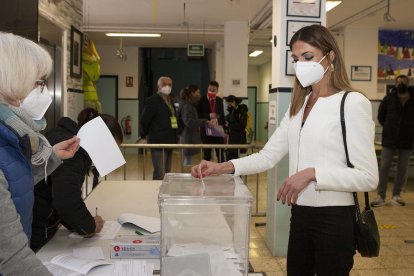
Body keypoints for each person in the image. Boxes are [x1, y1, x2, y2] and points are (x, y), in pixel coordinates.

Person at [191, 25, 378, 275]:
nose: (301, 64)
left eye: (308, 57)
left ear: (330, 56)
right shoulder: (298, 107)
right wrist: (221, 167)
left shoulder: (352, 103)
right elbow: (268, 156)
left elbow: (368, 177)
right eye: (296, 58)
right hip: (300, 215)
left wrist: (313, 173)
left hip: (334, 220)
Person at [0, 32, 80, 275]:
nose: (40, 90)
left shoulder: (12, 132)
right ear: (13, 79)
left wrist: (52, 156)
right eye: (38, 83)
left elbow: (14, 185)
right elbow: (12, 258)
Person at [30, 108, 124, 251]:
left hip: (35, 215)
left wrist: (78, 223)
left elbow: (63, 193)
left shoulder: (64, 137)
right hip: (37, 225)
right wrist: (90, 226)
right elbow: (66, 200)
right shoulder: (74, 152)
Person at [371, 75, 414, 207]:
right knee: (384, 167)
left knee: (402, 168)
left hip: (407, 140)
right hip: (389, 139)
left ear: (408, 84)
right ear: (395, 85)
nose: (401, 84)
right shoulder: (388, 98)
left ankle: (396, 195)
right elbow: (381, 116)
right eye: (399, 82)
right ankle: (380, 196)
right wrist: (390, 127)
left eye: (404, 82)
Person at [141, 76, 178, 180]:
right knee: (159, 172)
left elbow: (173, 119)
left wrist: (176, 136)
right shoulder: (152, 100)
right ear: (158, 86)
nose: (167, 86)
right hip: (157, 141)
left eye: (169, 84)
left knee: (167, 171)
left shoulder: (170, 101)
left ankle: (165, 193)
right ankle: (156, 193)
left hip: (170, 140)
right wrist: (144, 135)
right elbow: (145, 120)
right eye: (164, 84)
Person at [178, 85, 216, 166]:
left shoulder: (189, 104)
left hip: (190, 137)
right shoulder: (187, 105)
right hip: (188, 138)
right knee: (188, 164)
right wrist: (205, 122)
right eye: (197, 92)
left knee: (189, 162)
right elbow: (189, 122)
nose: (199, 94)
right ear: (192, 93)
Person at [197, 80, 226, 162]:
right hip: (206, 130)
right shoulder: (201, 100)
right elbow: (198, 115)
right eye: (209, 89)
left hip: (218, 129)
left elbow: (222, 115)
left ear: (217, 91)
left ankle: (222, 172)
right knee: (207, 154)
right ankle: (206, 173)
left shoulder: (219, 100)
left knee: (220, 154)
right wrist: (209, 115)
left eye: (213, 90)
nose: (211, 91)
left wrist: (224, 131)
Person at [224, 95, 248, 161]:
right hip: (233, 137)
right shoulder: (232, 110)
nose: (228, 105)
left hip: (239, 138)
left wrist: (229, 125)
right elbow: (228, 118)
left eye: (229, 103)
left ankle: (235, 170)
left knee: (235, 158)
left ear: (233, 102)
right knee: (231, 156)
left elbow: (242, 126)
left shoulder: (242, 110)